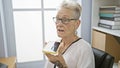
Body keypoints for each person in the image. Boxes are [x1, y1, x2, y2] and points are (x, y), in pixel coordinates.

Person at [43, 0, 95, 68]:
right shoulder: (56, 44)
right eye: (58, 19)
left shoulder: (84, 49)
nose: (59, 24)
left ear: (77, 24)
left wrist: (62, 65)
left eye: (65, 20)